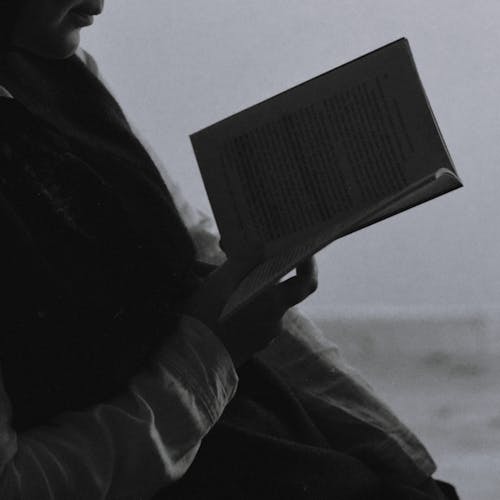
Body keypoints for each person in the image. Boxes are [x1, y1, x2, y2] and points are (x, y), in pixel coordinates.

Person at [0, 1, 460, 498]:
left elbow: (204, 251)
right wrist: (211, 352)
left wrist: (396, 453)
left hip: (276, 440)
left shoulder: (59, 66)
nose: (98, 4)